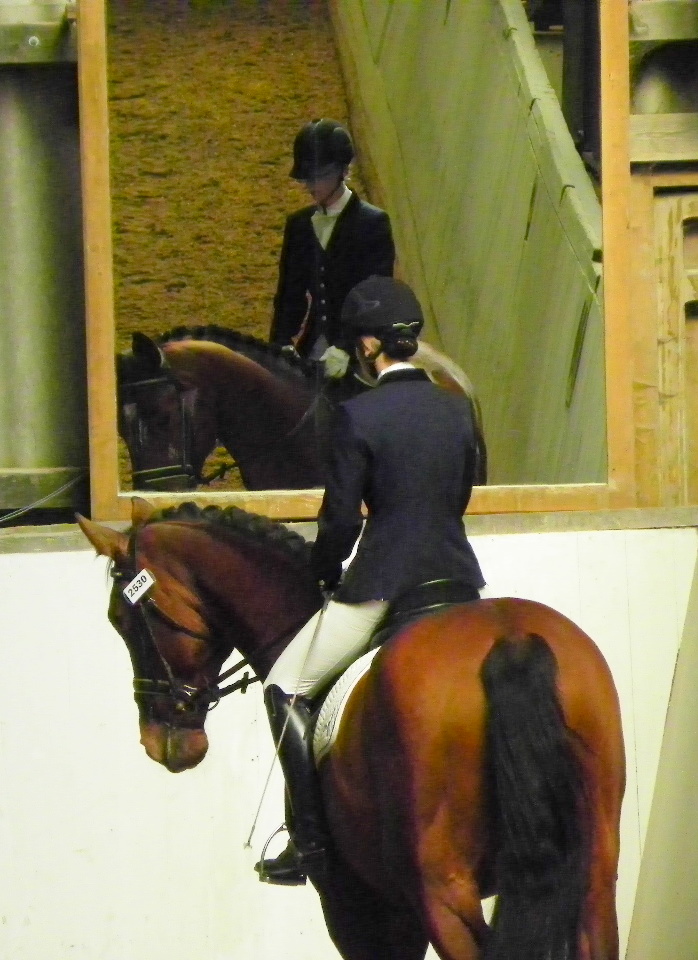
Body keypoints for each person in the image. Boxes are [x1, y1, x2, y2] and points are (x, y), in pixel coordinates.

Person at [256, 276, 486, 886]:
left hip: (387, 583)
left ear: (366, 346)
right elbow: (460, 495)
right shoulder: (457, 408)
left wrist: (326, 570)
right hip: (459, 580)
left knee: (284, 688)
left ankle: (308, 844)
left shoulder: (356, 415)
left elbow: (341, 519)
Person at [269, 118, 395, 377]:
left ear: (341, 171)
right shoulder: (299, 226)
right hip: (314, 345)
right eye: (307, 178)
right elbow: (290, 294)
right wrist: (281, 342)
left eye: (318, 177)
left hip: (361, 349)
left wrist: (346, 347)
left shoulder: (372, 223)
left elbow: (375, 296)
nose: (310, 185)